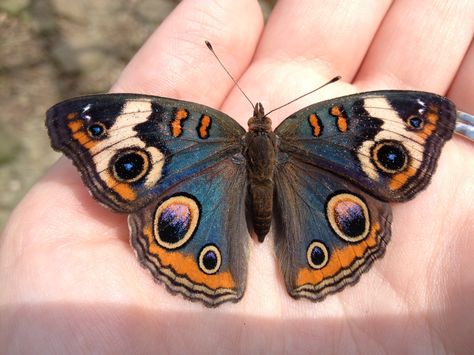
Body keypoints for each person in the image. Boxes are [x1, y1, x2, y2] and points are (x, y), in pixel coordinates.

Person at [1, 0, 473, 353]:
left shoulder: (195, 130)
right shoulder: (322, 124)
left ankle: (225, 263)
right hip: (313, 195)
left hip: (220, 190)